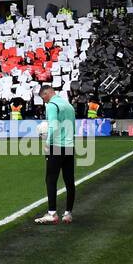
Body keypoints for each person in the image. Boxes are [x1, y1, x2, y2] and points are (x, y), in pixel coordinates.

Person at [34, 83, 77, 225]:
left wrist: (48, 144)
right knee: (69, 180)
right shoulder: (68, 105)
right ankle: (68, 213)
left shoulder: (52, 105)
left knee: (51, 179)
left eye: (43, 98)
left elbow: (52, 126)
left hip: (57, 146)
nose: (44, 101)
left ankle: (52, 213)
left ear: (47, 93)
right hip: (69, 146)